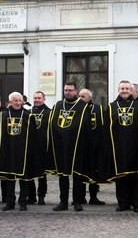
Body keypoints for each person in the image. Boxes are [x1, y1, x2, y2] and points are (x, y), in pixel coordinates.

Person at [100, 80, 138, 212]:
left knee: (136, 177)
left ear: (131, 91)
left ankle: (137, 204)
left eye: (127, 88)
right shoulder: (111, 107)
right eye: (122, 88)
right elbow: (106, 128)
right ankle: (123, 203)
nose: (124, 91)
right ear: (118, 90)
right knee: (121, 178)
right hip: (118, 148)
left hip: (135, 146)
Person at [48, 83, 93, 212]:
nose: (67, 92)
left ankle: (77, 202)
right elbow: (54, 123)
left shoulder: (82, 106)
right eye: (65, 90)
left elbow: (85, 126)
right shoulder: (58, 105)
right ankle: (63, 202)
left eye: (70, 90)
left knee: (77, 175)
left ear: (75, 91)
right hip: (61, 145)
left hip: (77, 145)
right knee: (63, 175)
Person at [0, 92, 43, 211]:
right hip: (9, 150)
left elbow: (33, 135)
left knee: (24, 179)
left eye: (19, 101)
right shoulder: (4, 115)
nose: (17, 103)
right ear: (10, 102)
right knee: (10, 178)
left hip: (24, 151)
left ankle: (23, 202)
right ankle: (10, 202)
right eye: (15, 101)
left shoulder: (28, 115)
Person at [78, 88, 105, 205]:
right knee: (81, 172)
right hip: (81, 146)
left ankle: (93, 196)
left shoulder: (98, 109)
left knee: (95, 172)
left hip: (96, 146)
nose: (80, 98)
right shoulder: (77, 109)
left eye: (83, 96)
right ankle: (81, 197)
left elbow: (103, 127)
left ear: (90, 98)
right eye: (79, 96)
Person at [27, 91, 50, 205]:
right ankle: (31, 196)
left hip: (43, 147)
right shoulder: (28, 112)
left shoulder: (49, 112)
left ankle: (41, 195)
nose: (36, 100)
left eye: (39, 98)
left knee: (42, 174)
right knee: (29, 172)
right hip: (30, 147)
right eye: (35, 98)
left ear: (44, 99)